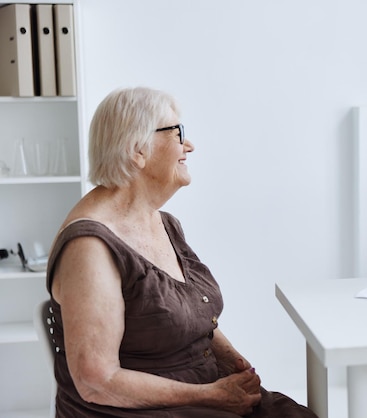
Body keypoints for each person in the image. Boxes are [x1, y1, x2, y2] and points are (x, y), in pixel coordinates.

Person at [45, 87, 318, 418]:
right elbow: (96, 380)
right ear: (137, 150)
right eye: (178, 133)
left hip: (197, 390)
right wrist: (211, 396)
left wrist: (233, 361)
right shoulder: (89, 247)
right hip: (136, 410)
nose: (188, 145)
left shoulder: (163, 223)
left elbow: (188, 312)